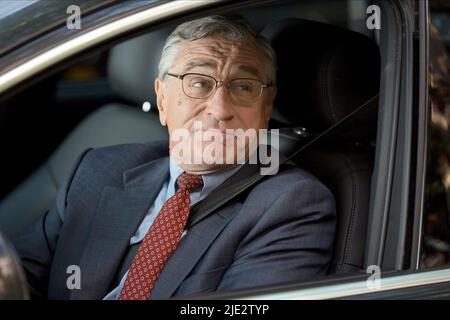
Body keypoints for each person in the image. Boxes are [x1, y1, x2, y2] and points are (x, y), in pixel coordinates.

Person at [12, 15, 336, 300]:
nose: (221, 110)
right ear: (163, 99)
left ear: (266, 108)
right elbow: (19, 278)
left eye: (243, 87)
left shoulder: (291, 203)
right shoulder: (100, 169)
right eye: (198, 83)